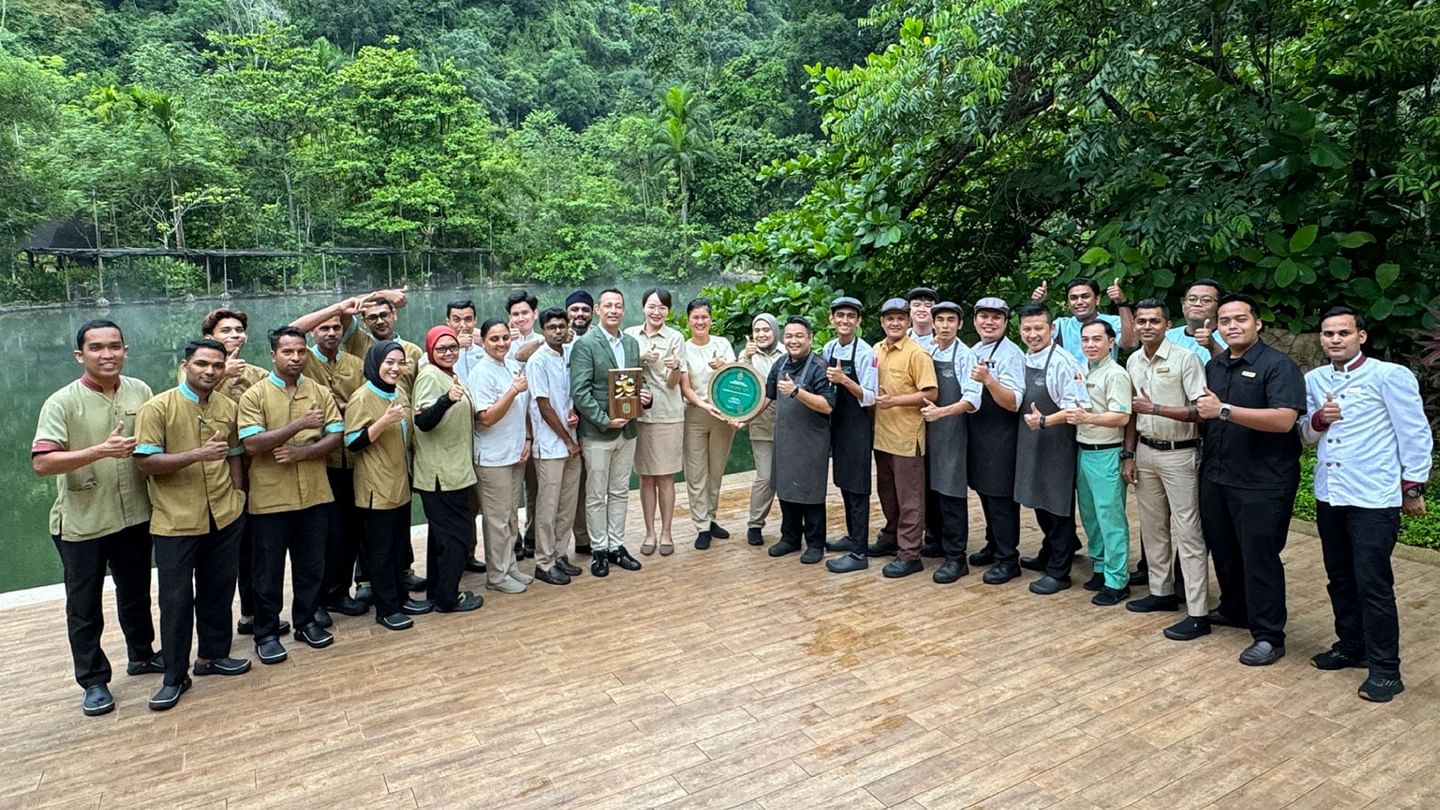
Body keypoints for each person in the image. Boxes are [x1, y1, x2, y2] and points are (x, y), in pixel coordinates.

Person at [1299, 306, 1431, 702]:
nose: (1334, 340)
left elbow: (1414, 432)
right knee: (1339, 577)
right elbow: (1305, 433)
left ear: (1361, 336)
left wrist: (1412, 487)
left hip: (1373, 496)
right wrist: (1320, 419)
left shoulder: (1389, 376)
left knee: (1373, 582)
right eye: (1327, 333)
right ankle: (1350, 644)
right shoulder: (1314, 378)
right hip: (1330, 493)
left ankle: (1386, 668)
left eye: (1343, 332)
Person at [32, 319, 161, 717]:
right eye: (97, 348)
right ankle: (93, 680)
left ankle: (142, 655)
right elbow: (43, 462)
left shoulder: (140, 390)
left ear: (126, 350)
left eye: (115, 346)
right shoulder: (62, 402)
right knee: (84, 605)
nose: (107, 354)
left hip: (135, 514)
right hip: (83, 522)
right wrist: (100, 451)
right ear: (80, 355)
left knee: (136, 591)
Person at [134, 339, 251, 710]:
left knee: (219, 589)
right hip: (176, 519)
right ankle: (174, 675)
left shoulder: (227, 406)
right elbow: (146, 463)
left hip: (223, 513)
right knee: (176, 600)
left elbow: (234, 454)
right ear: (186, 365)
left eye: (217, 365)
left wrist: (237, 495)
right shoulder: (158, 408)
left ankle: (213, 656)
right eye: (202, 364)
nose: (210, 371)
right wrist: (196, 455)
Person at [1196, 293, 1306, 666]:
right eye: (1225, 321)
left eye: (1240, 319)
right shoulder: (1216, 366)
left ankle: (1269, 634)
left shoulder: (1279, 366)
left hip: (1263, 480)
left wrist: (1223, 410)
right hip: (1218, 474)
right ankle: (1235, 608)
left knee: (1259, 556)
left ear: (1257, 323)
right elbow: (1204, 415)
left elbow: (1284, 420)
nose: (1232, 326)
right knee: (1223, 549)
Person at [237, 326, 344, 664]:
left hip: (314, 494)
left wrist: (301, 454)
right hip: (271, 499)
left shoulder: (318, 391)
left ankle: (307, 621)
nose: (296, 358)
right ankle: (266, 633)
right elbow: (252, 443)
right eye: (288, 352)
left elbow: (337, 434)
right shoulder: (255, 396)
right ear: (273, 355)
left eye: (300, 352)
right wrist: (299, 426)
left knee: (311, 565)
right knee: (267, 571)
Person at [1123, 299, 1211, 638]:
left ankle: (1198, 612)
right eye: (1141, 321)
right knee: (1153, 528)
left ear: (1167, 324)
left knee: (1188, 533)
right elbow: (1132, 414)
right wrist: (1128, 455)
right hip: (1145, 451)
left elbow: (1200, 411)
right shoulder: (1132, 360)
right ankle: (1161, 592)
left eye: (1154, 321)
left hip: (1180, 453)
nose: (1147, 326)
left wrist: (1155, 407)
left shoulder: (1185, 359)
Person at [195, 308, 273, 638]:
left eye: (239, 330)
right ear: (210, 337)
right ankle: (215, 636)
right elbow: (193, 407)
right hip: (212, 480)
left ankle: (252, 613)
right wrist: (223, 373)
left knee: (254, 549)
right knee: (218, 560)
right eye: (225, 330)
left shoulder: (255, 373)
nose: (234, 335)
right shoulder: (194, 370)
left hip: (254, 474)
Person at [345, 341, 427, 627]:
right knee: (379, 552)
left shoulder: (400, 391)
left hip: (400, 484)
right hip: (375, 489)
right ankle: (386, 609)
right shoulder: (362, 397)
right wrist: (383, 421)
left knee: (396, 548)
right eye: (389, 362)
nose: (395, 368)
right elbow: (351, 442)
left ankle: (401, 598)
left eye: (400, 362)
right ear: (375, 363)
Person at [570, 288, 649, 577]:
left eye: (618, 306)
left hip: (627, 430)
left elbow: (634, 383)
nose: (614, 310)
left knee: (619, 491)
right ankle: (599, 549)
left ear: (623, 310)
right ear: (598, 311)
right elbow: (580, 391)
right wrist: (604, 420)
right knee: (596, 494)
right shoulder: (586, 344)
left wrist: (644, 398)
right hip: (597, 432)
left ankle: (617, 545)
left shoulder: (631, 343)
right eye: (608, 306)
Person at [300, 312, 369, 624]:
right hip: (320, 458)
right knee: (320, 534)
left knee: (349, 530)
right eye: (324, 328)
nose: (331, 333)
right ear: (314, 332)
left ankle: (341, 592)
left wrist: (342, 407)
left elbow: (363, 403)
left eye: (336, 327)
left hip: (352, 458)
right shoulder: (303, 362)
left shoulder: (354, 363)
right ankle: (315, 600)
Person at [411, 327, 484, 613]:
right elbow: (423, 421)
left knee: (441, 536)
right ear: (430, 350)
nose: (448, 352)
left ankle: (438, 591)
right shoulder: (430, 376)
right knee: (457, 536)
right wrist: (446, 400)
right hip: (441, 474)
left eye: (452, 347)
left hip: (454, 470)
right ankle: (448, 599)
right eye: (441, 348)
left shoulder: (449, 374)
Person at [1014, 302, 1085, 594]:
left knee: (1057, 504)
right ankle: (1049, 550)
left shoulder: (1063, 361)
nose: (1033, 334)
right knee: (1038, 498)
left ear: (1052, 329)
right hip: (1031, 438)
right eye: (1027, 329)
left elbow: (1075, 407)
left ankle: (1059, 570)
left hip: (1057, 440)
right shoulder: (1025, 357)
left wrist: (1044, 421)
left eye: (1039, 328)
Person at [865, 297, 938, 578]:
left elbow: (930, 394)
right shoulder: (876, 350)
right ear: (882, 322)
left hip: (907, 437)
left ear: (909, 322)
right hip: (881, 435)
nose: (895, 323)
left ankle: (910, 553)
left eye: (900, 318)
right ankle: (891, 535)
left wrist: (896, 400)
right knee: (887, 492)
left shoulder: (917, 354)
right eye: (889, 318)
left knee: (910, 497)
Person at [755, 317, 835, 563]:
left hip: (812, 441)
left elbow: (828, 406)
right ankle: (790, 538)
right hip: (785, 439)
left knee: (811, 493)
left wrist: (797, 392)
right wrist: (743, 417)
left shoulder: (821, 367)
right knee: (786, 488)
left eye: (799, 336)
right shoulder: (780, 364)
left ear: (810, 338)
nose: (793, 341)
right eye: (789, 336)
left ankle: (815, 543)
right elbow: (766, 397)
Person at [1065, 320, 1133, 605]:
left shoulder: (1116, 374)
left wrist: (1088, 418)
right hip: (1084, 450)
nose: (1090, 345)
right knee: (1091, 515)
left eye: (1097, 339)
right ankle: (1101, 567)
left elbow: (1122, 416)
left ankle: (1118, 580)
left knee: (1110, 517)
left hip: (1106, 451)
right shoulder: (1084, 370)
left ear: (1110, 342)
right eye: (1085, 339)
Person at [468, 319, 535, 594]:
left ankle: (510, 567)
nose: (501, 343)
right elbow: (485, 418)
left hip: (514, 453)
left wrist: (528, 439)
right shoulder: (481, 373)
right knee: (496, 519)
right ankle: (496, 575)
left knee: (509, 516)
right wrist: (512, 391)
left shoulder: (511, 366)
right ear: (483, 342)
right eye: (494, 339)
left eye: (505, 338)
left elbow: (524, 408)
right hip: (492, 458)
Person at [963, 297, 1026, 585]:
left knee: (1001, 497)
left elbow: (1013, 402)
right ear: (975, 320)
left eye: (996, 317)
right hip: (978, 431)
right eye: (983, 316)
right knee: (985, 492)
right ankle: (992, 544)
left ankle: (1008, 558)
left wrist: (989, 380)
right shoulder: (973, 350)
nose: (989, 322)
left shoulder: (1012, 354)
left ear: (1005, 322)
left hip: (1002, 433)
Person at [919, 302, 982, 583]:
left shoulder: (965, 355)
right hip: (928, 432)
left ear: (960, 325)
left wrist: (941, 412)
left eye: (951, 320)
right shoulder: (927, 351)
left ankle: (957, 557)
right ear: (933, 324)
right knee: (931, 491)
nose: (945, 325)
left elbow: (972, 399)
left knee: (951, 493)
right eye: (940, 320)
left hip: (953, 431)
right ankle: (937, 542)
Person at [625, 288, 685, 556]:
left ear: (668, 311)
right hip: (639, 415)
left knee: (666, 477)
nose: (656, 311)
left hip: (668, 415)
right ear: (643, 308)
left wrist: (673, 368)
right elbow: (621, 372)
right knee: (646, 477)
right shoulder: (629, 335)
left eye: (662, 307)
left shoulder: (675, 338)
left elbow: (674, 385)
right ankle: (649, 532)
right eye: (651, 306)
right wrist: (640, 358)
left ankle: (667, 532)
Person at [528, 309, 586, 585]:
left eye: (561, 326)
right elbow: (543, 405)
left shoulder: (568, 356)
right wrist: (566, 440)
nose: (558, 331)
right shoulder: (537, 360)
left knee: (567, 505)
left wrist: (574, 413)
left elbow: (567, 398)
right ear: (543, 331)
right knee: (548, 507)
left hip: (571, 442)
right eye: (551, 327)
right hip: (552, 445)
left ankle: (561, 554)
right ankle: (543, 561)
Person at [823, 296, 879, 574]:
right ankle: (851, 536)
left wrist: (845, 380)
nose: (845, 321)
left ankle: (859, 552)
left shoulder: (867, 353)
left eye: (850, 316)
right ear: (831, 319)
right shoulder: (829, 347)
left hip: (858, 425)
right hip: (837, 424)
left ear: (858, 321)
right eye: (840, 315)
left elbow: (871, 397)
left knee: (858, 487)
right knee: (844, 483)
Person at [679, 298, 739, 550]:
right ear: (689, 320)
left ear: (711, 320)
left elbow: (737, 377)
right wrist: (703, 405)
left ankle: (711, 516)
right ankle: (701, 525)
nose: (700, 322)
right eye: (695, 318)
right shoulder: (683, 347)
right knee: (695, 472)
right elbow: (685, 386)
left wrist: (723, 365)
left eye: (704, 317)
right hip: (695, 413)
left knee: (716, 470)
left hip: (722, 415)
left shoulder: (723, 344)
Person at [741, 313, 783, 546]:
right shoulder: (747, 355)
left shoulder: (788, 352)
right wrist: (746, 359)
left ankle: (793, 526)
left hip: (790, 425)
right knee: (765, 477)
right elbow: (741, 387)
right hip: (761, 423)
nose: (761, 334)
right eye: (757, 330)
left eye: (766, 330)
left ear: (775, 331)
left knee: (789, 476)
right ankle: (755, 524)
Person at [508, 290, 543, 560]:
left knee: (535, 487)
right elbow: (519, 355)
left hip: (540, 425)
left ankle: (532, 535)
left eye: (524, 313)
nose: (520, 318)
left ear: (534, 314)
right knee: (509, 492)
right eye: (515, 314)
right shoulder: (500, 341)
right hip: (510, 427)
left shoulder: (547, 339)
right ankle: (513, 538)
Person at [1030, 276, 1136, 362]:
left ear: (1097, 299)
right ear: (1067, 303)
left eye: (1085, 296)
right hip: (1069, 385)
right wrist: (1036, 304)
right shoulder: (1061, 325)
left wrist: (1122, 303)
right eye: (1074, 298)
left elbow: (1130, 344)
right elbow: (1034, 337)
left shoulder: (1113, 322)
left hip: (1103, 384)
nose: (1079, 302)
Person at [562, 290, 593, 556]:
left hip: (594, 422)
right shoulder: (557, 340)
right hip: (563, 425)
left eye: (585, 309)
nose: (579, 314)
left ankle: (591, 537)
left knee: (591, 483)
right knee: (566, 488)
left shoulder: (598, 339)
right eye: (574, 310)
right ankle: (575, 539)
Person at [1166, 279, 1227, 362]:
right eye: (1192, 299)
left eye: (1206, 300)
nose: (1197, 304)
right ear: (1183, 306)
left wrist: (1213, 346)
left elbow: (1232, 370)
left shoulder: (1229, 336)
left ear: (1219, 307)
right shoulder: (1167, 337)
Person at [906, 286, 938, 351]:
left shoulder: (945, 341)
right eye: (916, 305)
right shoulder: (899, 338)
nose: (922, 309)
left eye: (928, 306)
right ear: (909, 310)